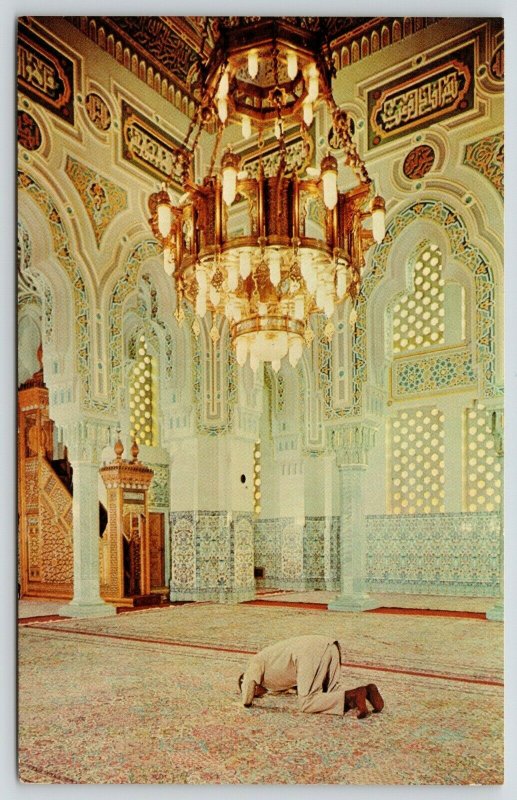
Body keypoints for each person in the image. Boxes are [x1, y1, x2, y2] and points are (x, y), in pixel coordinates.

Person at [238, 634, 384, 718]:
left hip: (308, 653)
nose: (258, 694)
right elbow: (294, 684)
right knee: (331, 690)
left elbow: (247, 696)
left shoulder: (254, 662)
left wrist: (246, 701)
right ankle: (365, 691)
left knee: (307, 702)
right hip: (328, 645)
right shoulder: (272, 677)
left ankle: (354, 695)